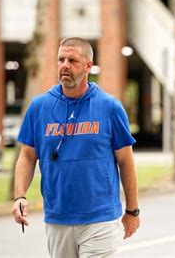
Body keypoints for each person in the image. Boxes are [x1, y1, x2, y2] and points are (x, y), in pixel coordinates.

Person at [11, 37, 140, 258]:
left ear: (88, 66)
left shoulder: (110, 107)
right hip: (57, 217)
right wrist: (19, 196)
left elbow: (125, 161)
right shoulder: (39, 107)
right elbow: (27, 156)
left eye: (72, 60)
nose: (64, 65)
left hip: (100, 218)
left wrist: (132, 210)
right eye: (61, 59)